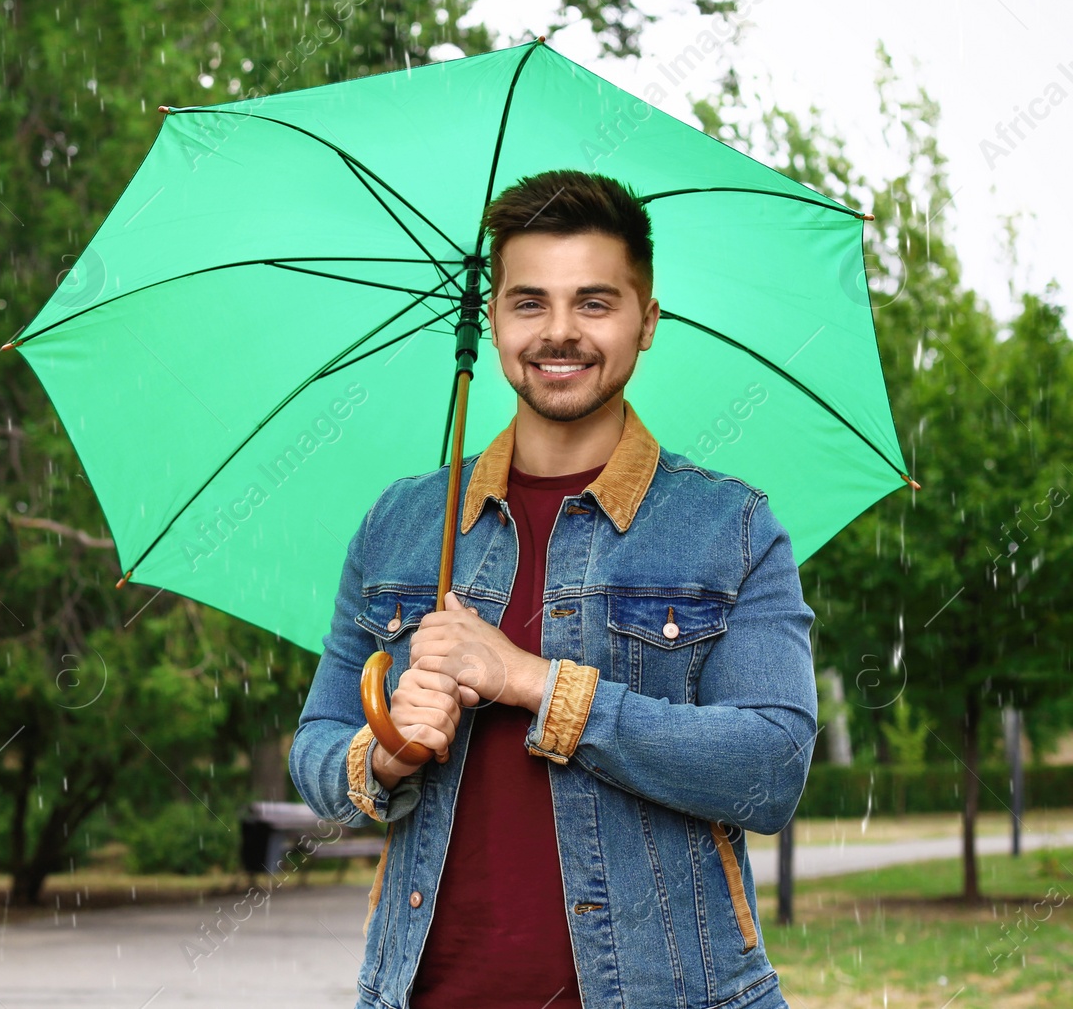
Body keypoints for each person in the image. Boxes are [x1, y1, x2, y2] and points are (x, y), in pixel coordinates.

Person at [289, 170, 817, 1009]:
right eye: (530, 302)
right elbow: (316, 744)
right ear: (492, 318)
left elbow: (768, 768)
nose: (559, 332)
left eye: (595, 303)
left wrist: (529, 680)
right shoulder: (400, 523)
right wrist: (384, 748)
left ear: (647, 321)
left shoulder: (731, 528)